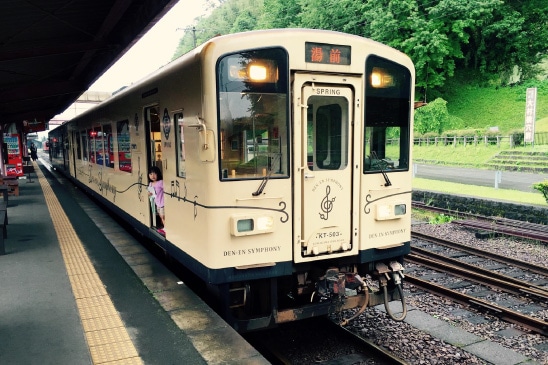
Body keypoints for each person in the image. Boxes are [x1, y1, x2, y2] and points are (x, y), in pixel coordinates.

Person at [148, 166, 165, 234]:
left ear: (158, 174)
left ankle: (165, 229)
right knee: (161, 216)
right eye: (151, 174)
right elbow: (151, 193)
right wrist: (149, 194)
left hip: (162, 203)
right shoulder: (150, 184)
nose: (153, 176)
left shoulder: (160, 182)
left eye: (155, 174)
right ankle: (164, 227)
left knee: (163, 216)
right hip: (157, 203)